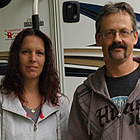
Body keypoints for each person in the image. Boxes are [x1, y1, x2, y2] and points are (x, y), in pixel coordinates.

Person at [68, 2, 140, 140]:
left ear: (135, 37)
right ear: (98, 39)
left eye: (124, 32)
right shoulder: (84, 95)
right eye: (109, 33)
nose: (117, 39)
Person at [0, 28, 69, 140]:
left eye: (39, 53)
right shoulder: (2, 102)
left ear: (46, 59)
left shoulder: (59, 104)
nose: (33, 59)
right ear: (16, 57)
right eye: (25, 52)